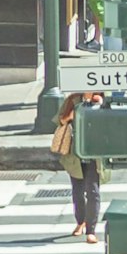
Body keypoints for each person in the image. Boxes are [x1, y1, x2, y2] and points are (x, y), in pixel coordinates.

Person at [51, 92, 107, 241]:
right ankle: (80, 222)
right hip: (75, 154)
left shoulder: (102, 99)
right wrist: (70, 117)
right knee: (77, 192)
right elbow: (60, 120)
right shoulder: (73, 100)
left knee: (93, 191)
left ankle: (91, 229)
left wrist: (100, 106)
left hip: (94, 153)